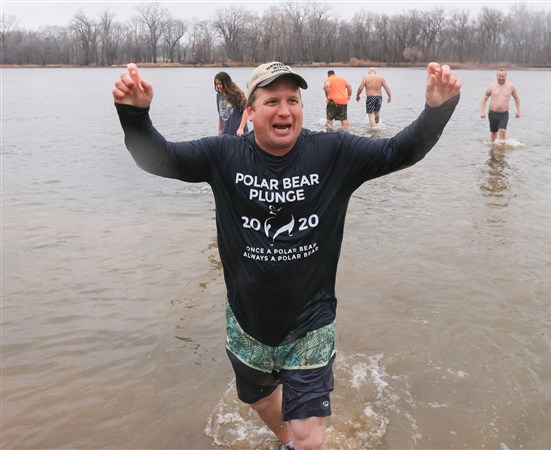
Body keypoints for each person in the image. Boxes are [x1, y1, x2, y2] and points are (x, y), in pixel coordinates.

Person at [113, 60, 461, 450]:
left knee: (309, 440)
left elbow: (401, 150)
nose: (284, 110)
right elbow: (157, 158)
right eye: (272, 100)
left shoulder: (334, 152)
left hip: (311, 322)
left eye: (293, 100)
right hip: (248, 323)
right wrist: (134, 114)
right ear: (251, 111)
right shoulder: (223, 155)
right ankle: (285, 440)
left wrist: (437, 110)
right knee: (260, 399)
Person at [480, 69, 521, 143]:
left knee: (502, 130)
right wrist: (482, 111)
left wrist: (518, 111)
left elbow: (516, 98)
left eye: (503, 76)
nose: (501, 78)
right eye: (499, 76)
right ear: (497, 76)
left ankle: (502, 147)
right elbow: (484, 99)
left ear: (506, 76)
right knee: (493, 131)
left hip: (504, 113)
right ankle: (493, 147)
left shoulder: (511, 87)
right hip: (492, 113)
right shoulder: (492, 87)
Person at [214, 71, 249, 136]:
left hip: (238, 134)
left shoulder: (236, 94)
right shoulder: (219, 95)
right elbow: (220, 114)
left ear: (226, 83)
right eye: (217, 84)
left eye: (220, 84)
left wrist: (241, 128)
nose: (218, 86)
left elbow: (246, 109)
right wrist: (220, 130)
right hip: (225, 134)